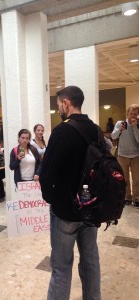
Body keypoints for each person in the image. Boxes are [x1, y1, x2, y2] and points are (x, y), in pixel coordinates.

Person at [39, 86, 101, 300]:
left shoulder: (61, 131)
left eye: (58, 106)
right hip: (91, 210)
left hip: (65, 211)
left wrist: (51, 199)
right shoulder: (95, 129)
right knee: (91, 262)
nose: (58, 110)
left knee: (61, 267)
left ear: (66, 103)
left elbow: (46, 173)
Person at [111, 104, 139, 207]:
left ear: (138, 115)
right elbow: (113, 136)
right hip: (122, 155)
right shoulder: (120, 123)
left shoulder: (138, 124)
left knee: (136, 179)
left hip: (136, 155)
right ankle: (127, 197)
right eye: (131, 113)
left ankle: (136, 198)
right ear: (127, 113)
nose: (132, 116)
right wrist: (120, 129)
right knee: (125, 179)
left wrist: (135, 127)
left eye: (135, 114)